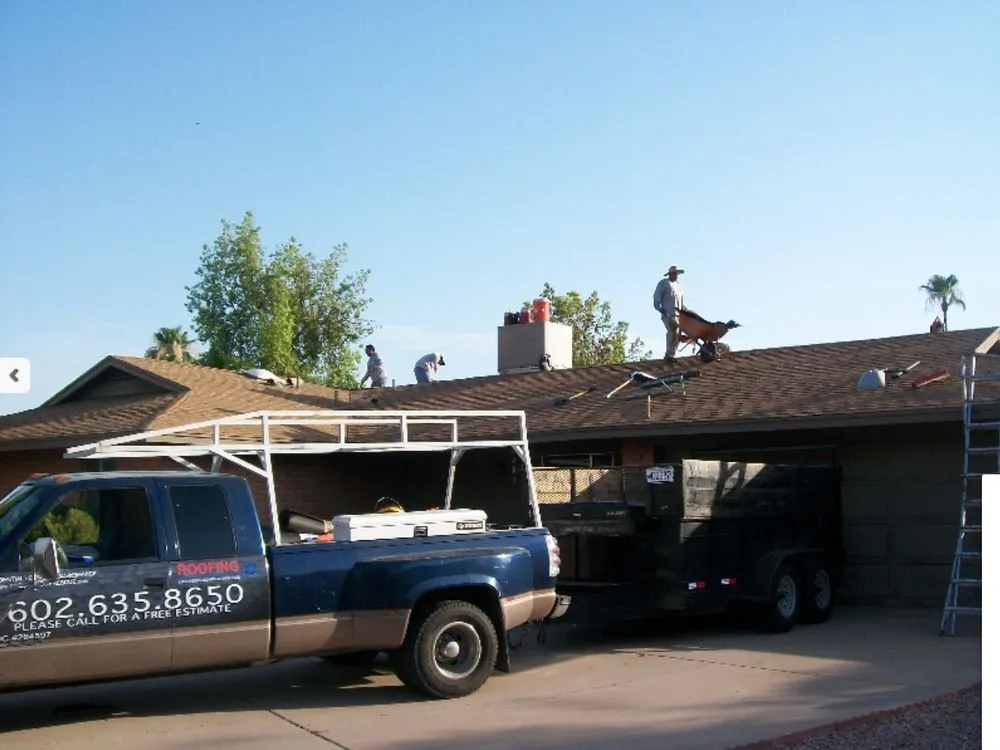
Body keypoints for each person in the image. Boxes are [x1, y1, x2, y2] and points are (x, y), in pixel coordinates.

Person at [652, 265, 685, 361]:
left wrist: (684, 312)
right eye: (673, 273)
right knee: (672, 331)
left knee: (677, 334)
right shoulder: (664, 283)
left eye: (676, 274)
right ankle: (669, 354)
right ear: (670, 274)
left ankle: (672, 354)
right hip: (668, 313)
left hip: (678, 314)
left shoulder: (678, 287)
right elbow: (657, 296)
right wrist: (659, 308)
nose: (675, 275)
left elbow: (681, 302)